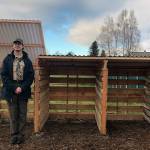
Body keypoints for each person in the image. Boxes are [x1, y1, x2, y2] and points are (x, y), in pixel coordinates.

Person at [1, 38, 34, 144]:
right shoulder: (7, 60)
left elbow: (30, 77)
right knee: (13, 115)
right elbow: (4, 76)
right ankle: (13, 135)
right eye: (15, 44)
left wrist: (22, 87)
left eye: (19, 44)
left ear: (23, 46)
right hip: (11, 91)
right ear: (12, 46)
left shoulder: (27, 61)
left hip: (23, 91)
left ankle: (20, 135)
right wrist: (14, 87)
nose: (17, 45)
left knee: (22, 115)